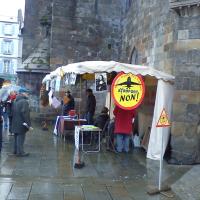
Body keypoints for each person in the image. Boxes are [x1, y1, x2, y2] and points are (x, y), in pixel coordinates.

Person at [11, 88, 31, 157]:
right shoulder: (24, 101)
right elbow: (25, 114)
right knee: (21, 137)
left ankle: (16, 151)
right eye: (27, 93)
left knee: (16, 137)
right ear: (23, 93)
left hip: (15, 122)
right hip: (21, 123)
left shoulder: (15, 100)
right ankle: (20, 152)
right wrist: (28, 124)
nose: (28, 94)